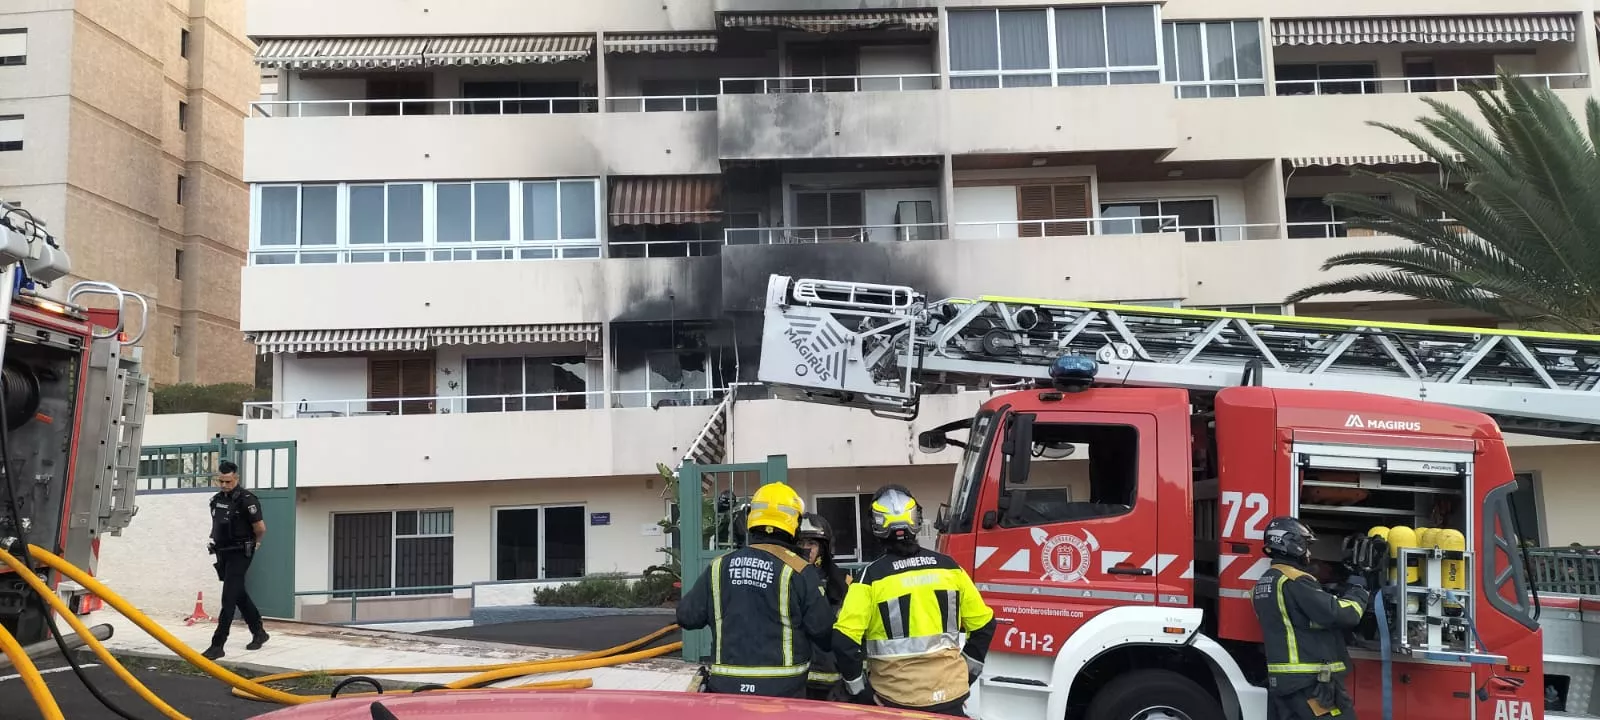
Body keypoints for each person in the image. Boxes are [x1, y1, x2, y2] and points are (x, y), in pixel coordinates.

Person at [834, 485, 996, 717]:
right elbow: (985, 626)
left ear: (876, 527)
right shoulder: (950, 568)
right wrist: (966, 675)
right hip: (951, 698)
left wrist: (861, 693)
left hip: (894, 701)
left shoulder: (870, 578)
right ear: (916, 519)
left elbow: (843, 641)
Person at [676, 482, 833, 698]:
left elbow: (687, 617)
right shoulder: (799, 571)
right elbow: (824, 633)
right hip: (784, 692)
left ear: (752, 519)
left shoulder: (719, 566)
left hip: (727, 688)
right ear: (794, 524)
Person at [1253, 516, 1369, 720]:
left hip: (1284, 684)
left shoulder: (1264, 583)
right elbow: (1342, 614)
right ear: (1293, 544)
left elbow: (1301, 620)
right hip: (1310, 684)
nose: (1309, 552)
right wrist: (1358, 590)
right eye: (1306, 545)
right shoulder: (1296, 580)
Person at [202, 460, 269, 660]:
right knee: (237, 593)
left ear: (236, 479)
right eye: (221, 481)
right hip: (223, 551)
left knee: (228, 598)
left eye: (228, 482)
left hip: (241, 552)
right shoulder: (216, 499)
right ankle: (259, 632)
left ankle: (218, 644)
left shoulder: (247, 500)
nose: (224, 485)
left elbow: (260, 528)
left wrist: (255, 544)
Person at [796, 512, 851, 701]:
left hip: (836, 683)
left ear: (824, 548)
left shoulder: (845, 582)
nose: (806, 549)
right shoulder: (786, 581)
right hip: (799, 683)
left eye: (812, 544)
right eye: (801, 544)